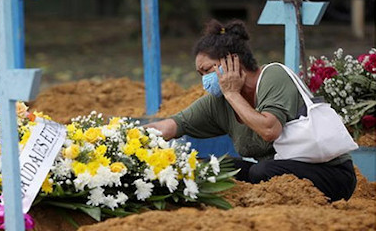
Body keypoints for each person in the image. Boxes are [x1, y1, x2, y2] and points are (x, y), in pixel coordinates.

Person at [146, 19, 356, 202]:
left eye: (208, 70)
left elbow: (269, 130)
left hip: (332, 175)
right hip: (275, 173)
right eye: (200, 73)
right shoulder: (219, 102)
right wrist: (130, 137)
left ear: (233, 60)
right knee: (219, 167)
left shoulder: (273, 76)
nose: (204, 80)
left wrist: (232, 94)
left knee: (261, 171)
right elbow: (173, 124)